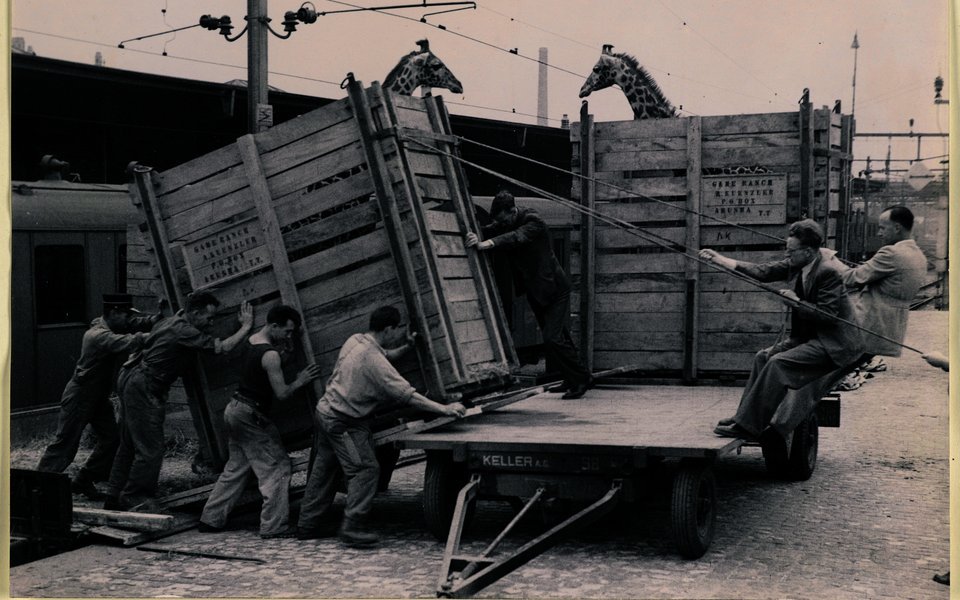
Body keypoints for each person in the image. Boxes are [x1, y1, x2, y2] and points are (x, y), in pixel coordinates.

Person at [296, 305, 466, 547]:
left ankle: (307, 524)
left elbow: (384, 357)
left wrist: (406, 347)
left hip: (324, 412)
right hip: (342, 423)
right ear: (388, 329)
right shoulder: (373, 361)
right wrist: (445, 409)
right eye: (398, 329)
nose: (398, 333)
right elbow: (409, 395)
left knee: (325, 468)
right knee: (364, 469)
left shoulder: (356, 341)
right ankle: (352, 528)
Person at [700, 219, 863, 440]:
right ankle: (745, 416)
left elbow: (828, 316)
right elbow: (763, 271)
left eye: (791, 251)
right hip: (810, 338)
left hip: (833, 343)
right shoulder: (798, 264)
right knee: (763, 357)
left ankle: (749, 426)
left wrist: (796, 301)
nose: (787, 255)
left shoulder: (828, 272)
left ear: (807, 251)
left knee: (778, 364)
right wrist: (720, 260)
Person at [104, 293, 254, 511]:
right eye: (209, 318)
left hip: (132, 377)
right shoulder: (184, 330)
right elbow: (222, 348)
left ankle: (113, 495)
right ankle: (136, 496)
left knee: (129, 443)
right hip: (144, 385)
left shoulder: (175, 319)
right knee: (151, 448)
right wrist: (245, 327)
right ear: (194, 313)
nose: (211, 323)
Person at [198, 305, 322, 538]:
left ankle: (210, 519)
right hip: (250, 415)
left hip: (234, 410)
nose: (288, 336)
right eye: (286, 331)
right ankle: (273, 527)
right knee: (277, 467)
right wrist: (301, 380)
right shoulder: (270, 355)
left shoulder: (253, 339)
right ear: (274, 326)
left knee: (237, 467)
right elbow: (282, 393)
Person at [466, 190, 592, 399]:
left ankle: (581, 379)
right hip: (537, 291)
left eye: (503, 219)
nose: (501, 224)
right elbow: (493, 229)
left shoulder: (534, 222)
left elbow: (516, 237)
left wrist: (486, 245)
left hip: (555, 289)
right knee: (560, 337)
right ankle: (573, 377)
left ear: (512, 211)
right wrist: (476, 235)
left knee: (552, 338)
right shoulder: (509, 220)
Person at [35, 294, 161, 499]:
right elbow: (132, 341)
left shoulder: (109, 324)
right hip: (80, 395)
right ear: (113, 313)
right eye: (126, 315)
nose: (129, 320)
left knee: (113, 439)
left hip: (98, 397)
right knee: (65, 444)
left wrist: (157, 319)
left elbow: (135, 323)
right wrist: (164, 331)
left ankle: (84, 480)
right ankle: (39, 487)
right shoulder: (98, 335)